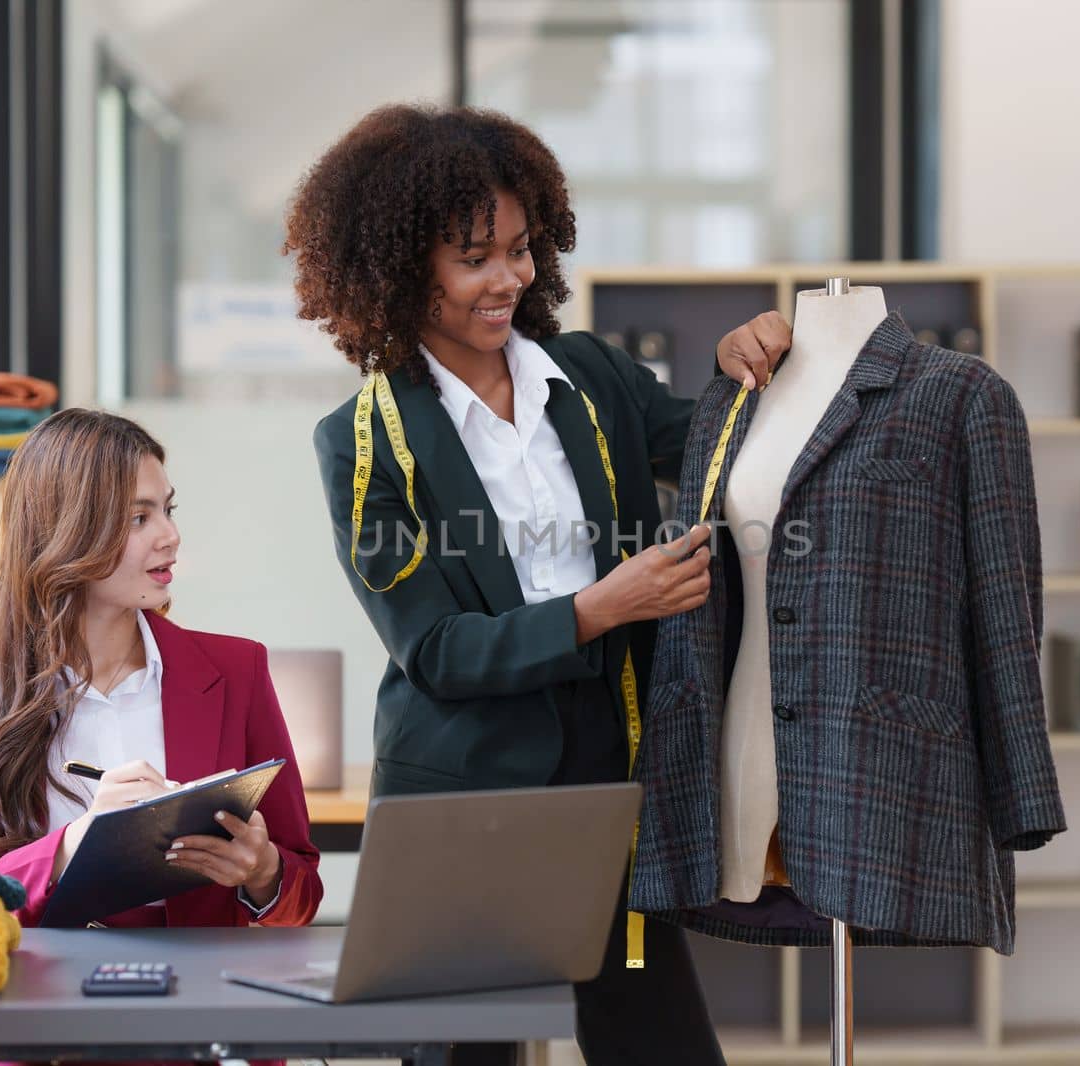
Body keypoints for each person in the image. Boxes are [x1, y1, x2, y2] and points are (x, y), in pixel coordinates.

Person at [294, 103, 790, 1066]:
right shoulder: (362, 442)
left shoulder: (590, 374)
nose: (508, 280)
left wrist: (748, 368)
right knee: (464, 1055)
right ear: (403, 273)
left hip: (608, 776)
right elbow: (434, 649)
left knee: (662, 1046)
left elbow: (718, 445)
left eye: (521, 251)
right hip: (463, 793)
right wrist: (608, 606)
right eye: (475, 258)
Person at [0, 408, 323, 930]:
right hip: (34, 993)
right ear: (64, 530)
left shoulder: (238, 669)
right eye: (139, 518)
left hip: (195, 996)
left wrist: (264, 871)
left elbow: (304, 895)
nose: (171, 535)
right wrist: (75, 843)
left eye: (168, 510)